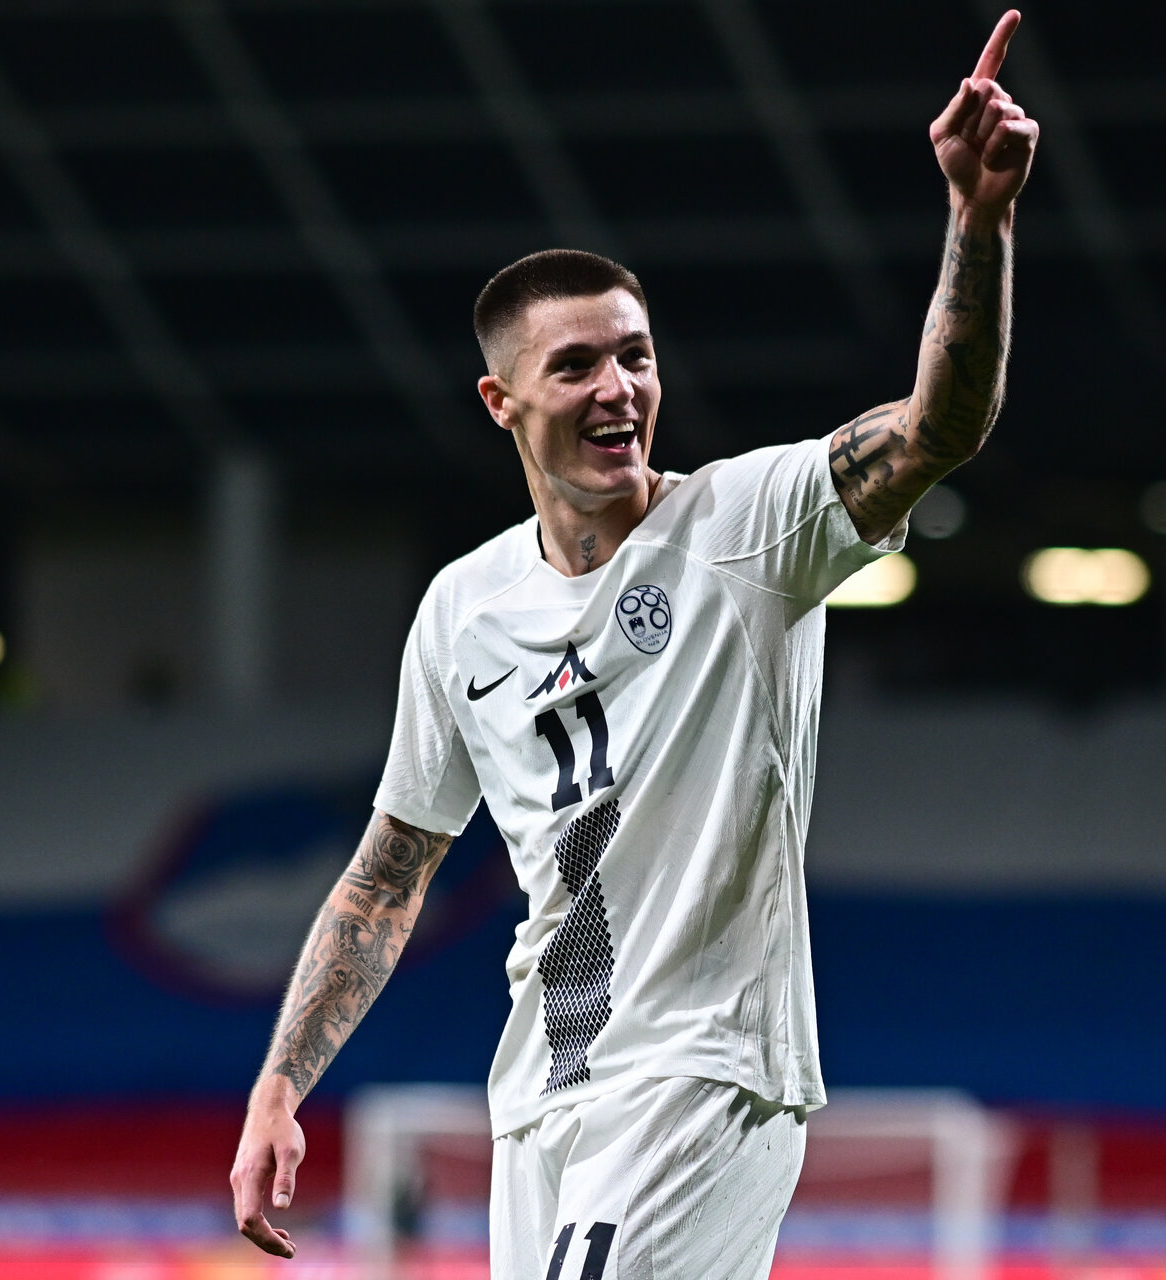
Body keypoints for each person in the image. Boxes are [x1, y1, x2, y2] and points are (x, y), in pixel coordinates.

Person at [229, 11, 1038, 1276]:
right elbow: (388, 875)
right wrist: (280, 1082)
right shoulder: (463, 608)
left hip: (704, 1074)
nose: (619, 388)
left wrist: (977, 222)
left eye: (637, 357)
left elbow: (941, 424)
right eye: (577, 366)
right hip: (541, 1099)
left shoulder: (746, 524)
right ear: (501, 400)